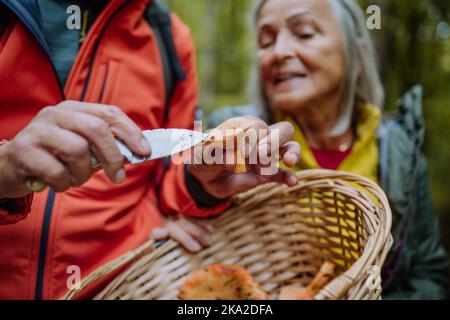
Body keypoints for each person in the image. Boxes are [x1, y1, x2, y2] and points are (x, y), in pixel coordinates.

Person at [0, 0, 300, 299]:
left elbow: (169, 179)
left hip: (130, 287)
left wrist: (201, 182)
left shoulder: (167, 34)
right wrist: (5, 168)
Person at [208, 0, 449, 299]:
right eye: (266, 41)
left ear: (355, 57)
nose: (279, 51)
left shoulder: (402, 154)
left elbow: (429, 274)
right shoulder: (233, 134)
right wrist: (191, 194)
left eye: (305, 33)